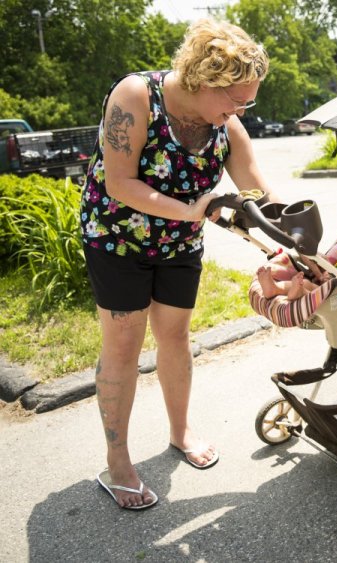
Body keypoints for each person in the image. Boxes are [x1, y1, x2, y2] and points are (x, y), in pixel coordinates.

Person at [80, 18, 278, 510]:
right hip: (117, 239)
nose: (240, 111)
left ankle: (180, 430)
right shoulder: (135, 97)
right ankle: (118, 460)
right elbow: (119, 183)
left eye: (247, 101)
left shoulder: (225, 125)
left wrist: (288, 242)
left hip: (178, 245)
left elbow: (257, 192)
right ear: (203, 80)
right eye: (235, 99)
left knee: (174, 335)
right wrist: (193, 209)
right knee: (123, 345)